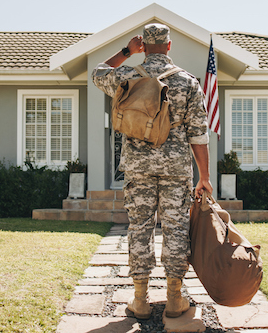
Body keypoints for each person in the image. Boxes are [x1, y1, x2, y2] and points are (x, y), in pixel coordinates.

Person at [92, 23, 213, 319]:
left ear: (143, 45)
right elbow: (198, 134)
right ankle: (174, 298)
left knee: (140, 228)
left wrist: (125, 52)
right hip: (176, 170)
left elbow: (97, 72)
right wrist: (205, 177)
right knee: (176, 229)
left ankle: (140, 299)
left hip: (138, 168)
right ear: (169, 46)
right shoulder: (187, 82)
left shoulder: (127, 75)